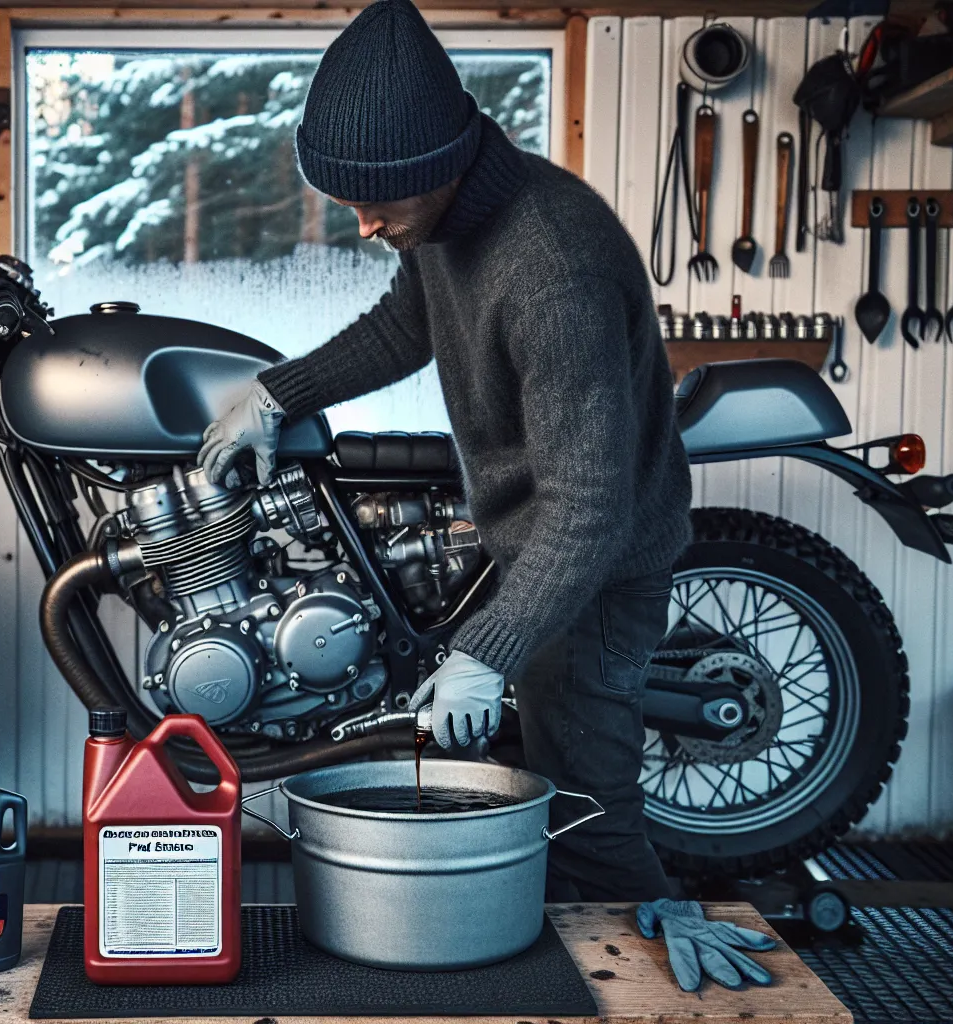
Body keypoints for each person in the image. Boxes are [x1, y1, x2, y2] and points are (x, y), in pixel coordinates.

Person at [196, 0, 692, 902]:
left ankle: (654, 951)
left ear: (435, 167)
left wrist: (488, 649)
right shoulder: (447, 220)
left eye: (373, 204)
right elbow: (405, 325)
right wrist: (280, 392)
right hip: (538, 543)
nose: (362, 226)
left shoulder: (552, 271)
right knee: (543, 778)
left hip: (595, 568)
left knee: (587, 814)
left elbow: (589, 508)